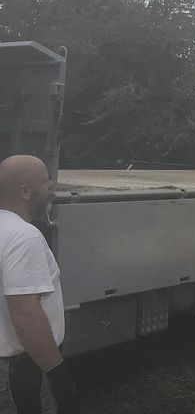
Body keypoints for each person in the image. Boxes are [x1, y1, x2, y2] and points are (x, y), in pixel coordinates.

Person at [0, 155, 78, 413]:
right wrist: (58, 375)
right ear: (25, 191)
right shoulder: (24, 236)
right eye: (45, 181)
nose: (52, 186)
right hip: (20, 370)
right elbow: (25, 315)